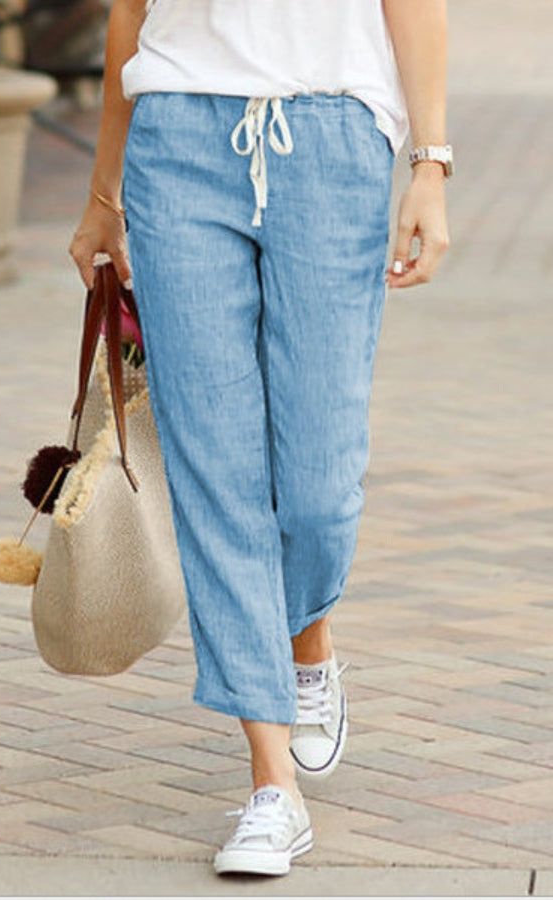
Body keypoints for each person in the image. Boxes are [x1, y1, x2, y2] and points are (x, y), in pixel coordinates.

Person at [69, 0, 451, 878]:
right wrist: (103, 195)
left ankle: (306, 637)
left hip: (330, 135)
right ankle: (271, 782)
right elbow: (130, 11)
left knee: (317, 486)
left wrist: (430, 164)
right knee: (216, 468)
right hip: (176, 136)